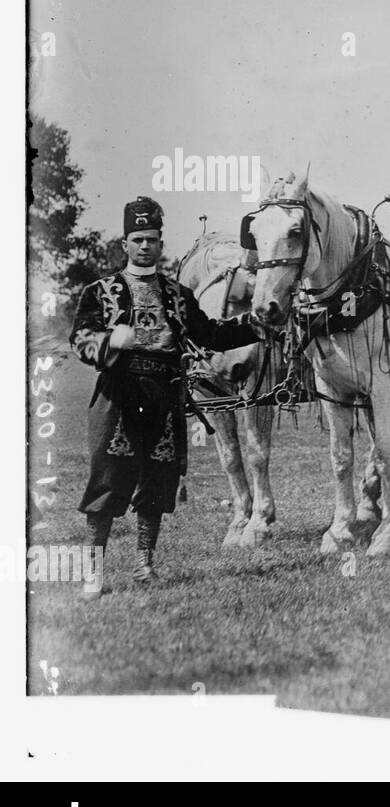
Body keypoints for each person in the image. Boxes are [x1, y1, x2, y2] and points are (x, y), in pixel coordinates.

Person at [70, 197, 263, 598]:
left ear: (161, 243)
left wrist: (258, 324)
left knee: (158, 483)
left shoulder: (178, 295)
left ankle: (144, 566)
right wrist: (110, 342)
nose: (145, 246)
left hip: (165, 394)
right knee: (107, 480)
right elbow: (80, 340)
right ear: (125, 243)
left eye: (152, 239)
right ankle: (94, 573)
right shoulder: (100, 291)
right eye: (138, 239)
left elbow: (210, 335)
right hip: (118, 397)